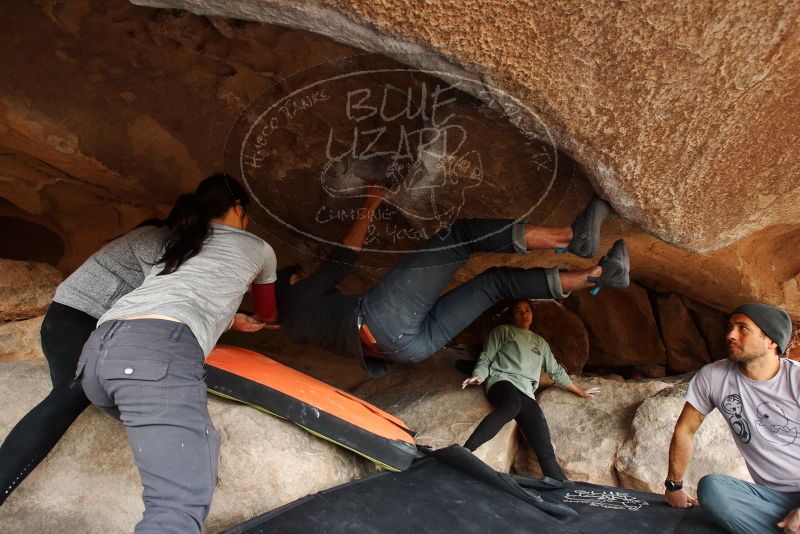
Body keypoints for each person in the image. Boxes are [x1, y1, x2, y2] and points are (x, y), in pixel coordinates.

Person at [77, 173, 278, 533]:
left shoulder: (181, 240)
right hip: (155, 356)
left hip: (98, 353)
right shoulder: (259, 248)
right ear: (238, 209)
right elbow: (268, 311)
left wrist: (228, 317)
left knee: (199, 444)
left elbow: (179, 291)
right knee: (176, 506)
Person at [276, 193, 629, 378]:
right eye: (302, 274)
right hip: (384, 320)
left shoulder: (294, 326)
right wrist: (371, 202)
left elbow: (279, 318)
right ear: (291, 282)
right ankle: (571, 236)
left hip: (406, 350)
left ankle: (597, 276)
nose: (307, 275)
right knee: (458, 237)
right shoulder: (295, 296)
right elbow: (341, 262)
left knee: (497, 284)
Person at [0, 194, 193, 505]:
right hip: (74, 318)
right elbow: (167, 291)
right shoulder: (155, 239)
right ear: (185, 222)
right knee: (74, 389)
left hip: (100, 328)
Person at [663, 302, 800, 534]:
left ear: (771, 340)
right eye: (731, 327)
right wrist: (673, 485)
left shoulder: (796, 379)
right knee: (712, 488)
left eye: (743, 328)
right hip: (770, 498)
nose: (730, 335)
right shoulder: (714, 377)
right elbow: (685, 430)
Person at [461, 299, 596, 480]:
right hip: (502, 381)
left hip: (526, 390)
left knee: (544, 448)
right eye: (518, 311)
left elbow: (555, 370)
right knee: (511, 406)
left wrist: (579, 390)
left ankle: (562, 486)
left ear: (532, 314)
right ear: (511, 315)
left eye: (527, 310)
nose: (524, 314)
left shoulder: (540, 343)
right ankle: (465, 451)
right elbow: (486, 357)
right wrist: (478, 376)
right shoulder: (502, 331)